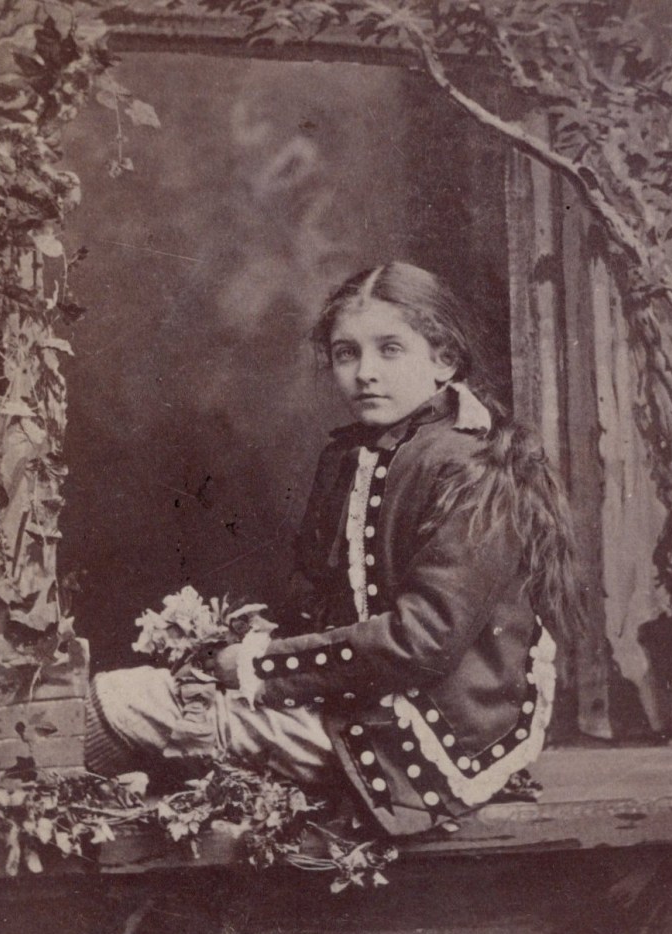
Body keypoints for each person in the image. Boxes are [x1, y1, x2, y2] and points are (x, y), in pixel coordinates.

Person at [86, 262, 580, 836]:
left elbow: (423, 641)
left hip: (423, 734)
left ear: (443, 359)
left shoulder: (472, 467)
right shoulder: (356, 456)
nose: (365, 373)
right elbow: (322, 603)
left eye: (390, 349)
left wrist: (259, 666)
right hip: (357, 703)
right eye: (347, 354)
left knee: (123, 702)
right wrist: (242, 647)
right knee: (138, 696)